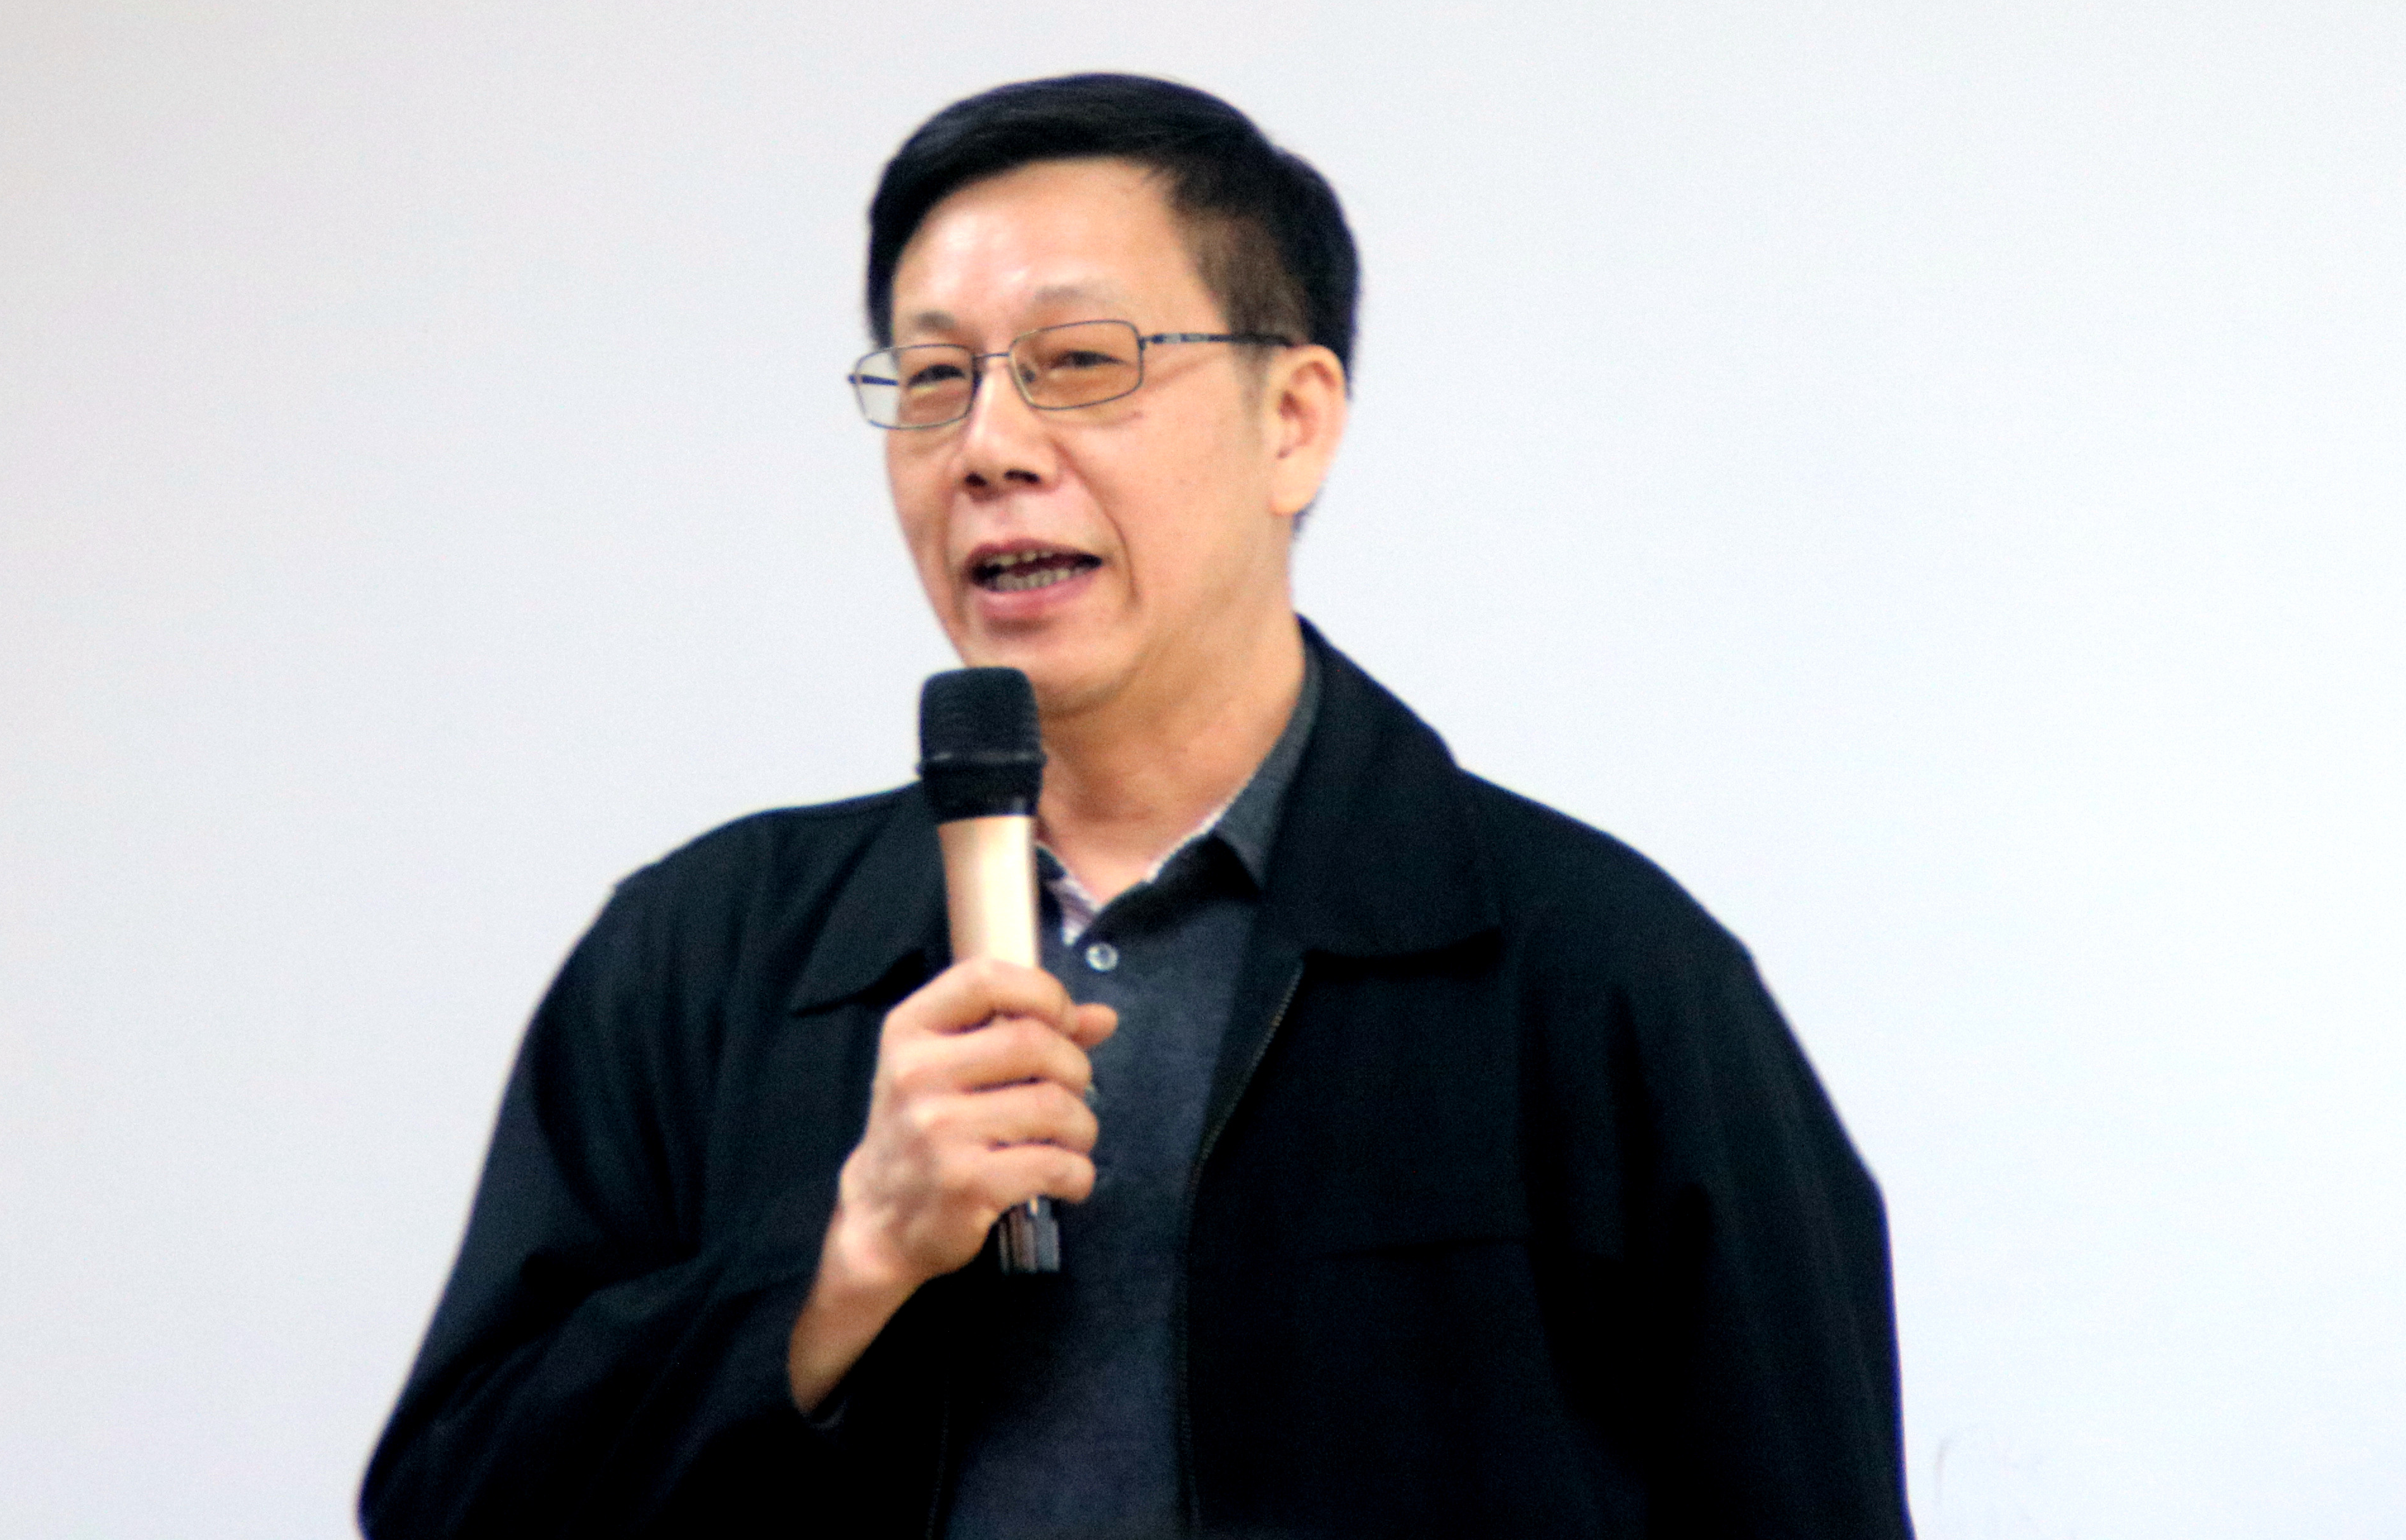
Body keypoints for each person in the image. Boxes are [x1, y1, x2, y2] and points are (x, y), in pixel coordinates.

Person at [360, 75, 1913, 1538]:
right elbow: (450, 1502)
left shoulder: (1598, 972)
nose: (990, 447)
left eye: (1081, 361)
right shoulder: (700, 957)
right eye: (935, 379)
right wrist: (840, 1263)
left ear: (1292, 419)